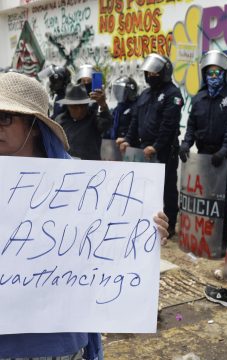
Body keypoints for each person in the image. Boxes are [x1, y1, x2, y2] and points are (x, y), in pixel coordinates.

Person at [0, 71, 169, 359]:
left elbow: (108, 250)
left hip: (59, 346)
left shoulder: (82, 185)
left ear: (35, 125)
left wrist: (147, 233)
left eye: (4, 117)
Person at [179, 50, 227, 254]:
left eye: (218, 73)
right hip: (204, 155)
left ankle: (224, 241)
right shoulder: (199, 97)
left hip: (225, 156)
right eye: (210, 72)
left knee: (221, 197)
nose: (213, 77)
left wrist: (224, 152)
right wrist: (186, 144)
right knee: (205, 197)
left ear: (224, 73)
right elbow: (191, 125)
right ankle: (206, 236)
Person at [117, 53, 183, 238]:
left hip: (164, 150)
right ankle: (145, 221)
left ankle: (169, 225)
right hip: (143, 150)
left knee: (167, 187)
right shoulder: (145, 94)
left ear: (164, 72)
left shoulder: (173, 94)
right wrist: (128, 140)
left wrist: (156, 146)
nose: (151, 76)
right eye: (148, 72)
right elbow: (135, 120)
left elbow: (169, 125)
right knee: (145, 187)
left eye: (155, 72)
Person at [55, 83, 112, 160]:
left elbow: (106, 124)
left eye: (83, 105)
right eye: (74, 106)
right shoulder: (60, 121)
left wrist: (103, 105)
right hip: (66, 166)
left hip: (90, 168)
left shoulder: (94, 118)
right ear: (68, 106)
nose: (80, 110)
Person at [104, 75, 138, 141]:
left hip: (129, 145)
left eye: (120, 90)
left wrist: (127, 139)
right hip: (115, 144)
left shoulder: (135, 108)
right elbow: (111, 126)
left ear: (129, 91)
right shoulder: (118, 108)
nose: (117, 93)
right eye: (116, 89)